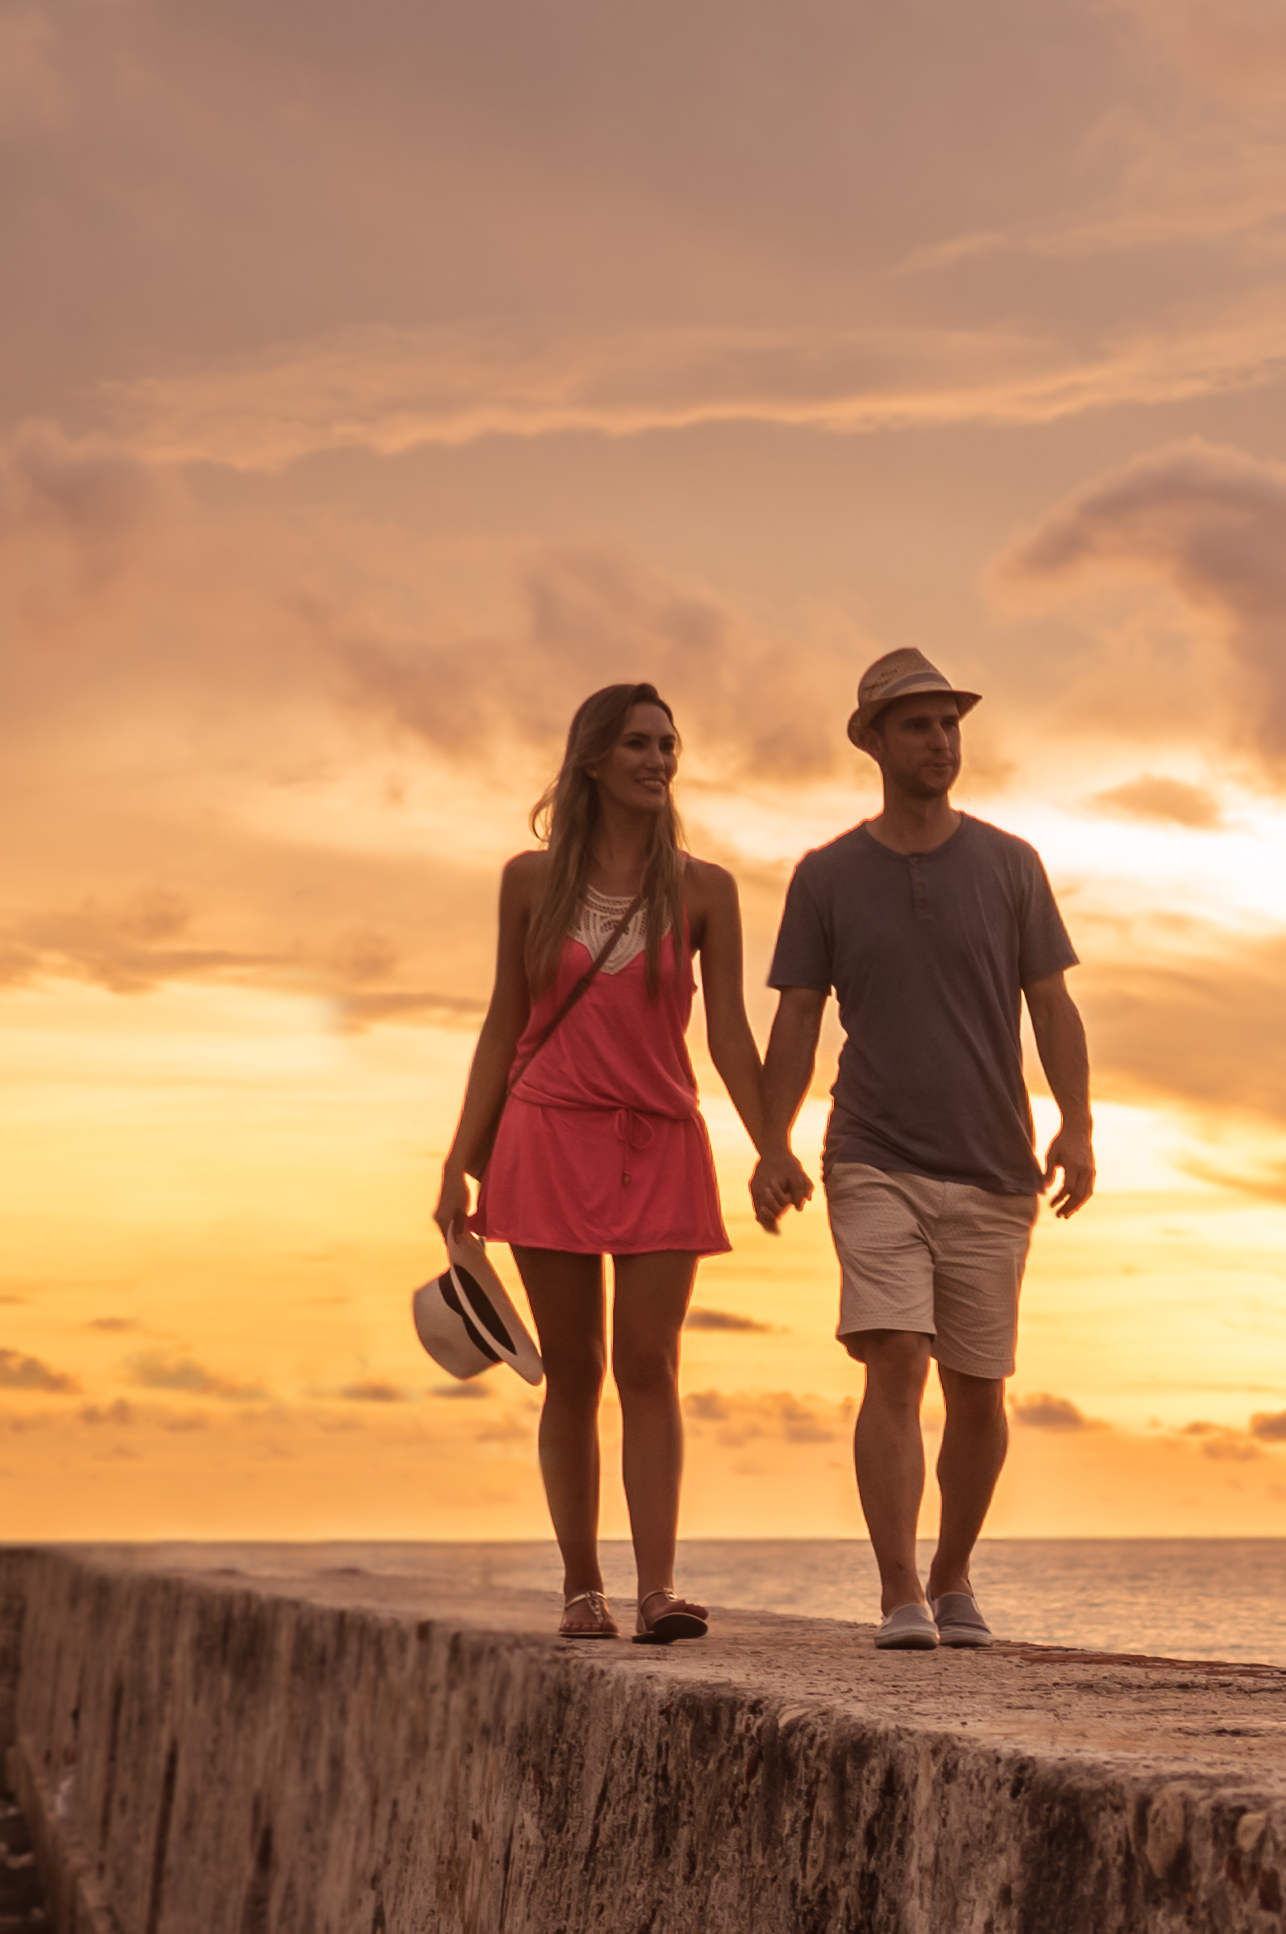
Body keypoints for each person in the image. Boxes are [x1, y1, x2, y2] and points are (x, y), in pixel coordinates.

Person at [428, 680, 798, 1644]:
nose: (658, 760)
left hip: (661, 1139)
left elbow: (728, 1037)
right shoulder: (528, 880)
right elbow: (504, 1022)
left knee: (649, 1361)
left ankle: (659, 1589)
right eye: (638, 743)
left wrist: (771, 1145)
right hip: (546, 1135)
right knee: (576, 1370)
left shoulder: (705, 890)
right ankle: (583, 1587)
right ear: (592, 758)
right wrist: (461, 1157)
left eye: (669, 745)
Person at [755, 646, 1093, 1650]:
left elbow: (1051, 1005)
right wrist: (772, 1141)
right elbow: (796, 1021)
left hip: (995, 1161)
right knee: (895, 1356)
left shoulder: (1011, 864)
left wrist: (1076, 1122)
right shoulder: (825, 878)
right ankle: (900, 1587)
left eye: (949, 724)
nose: (939, 741)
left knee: (979, 1389)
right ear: (873, 741)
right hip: (870, 1151)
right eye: (917, 725)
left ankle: (952, 1573)